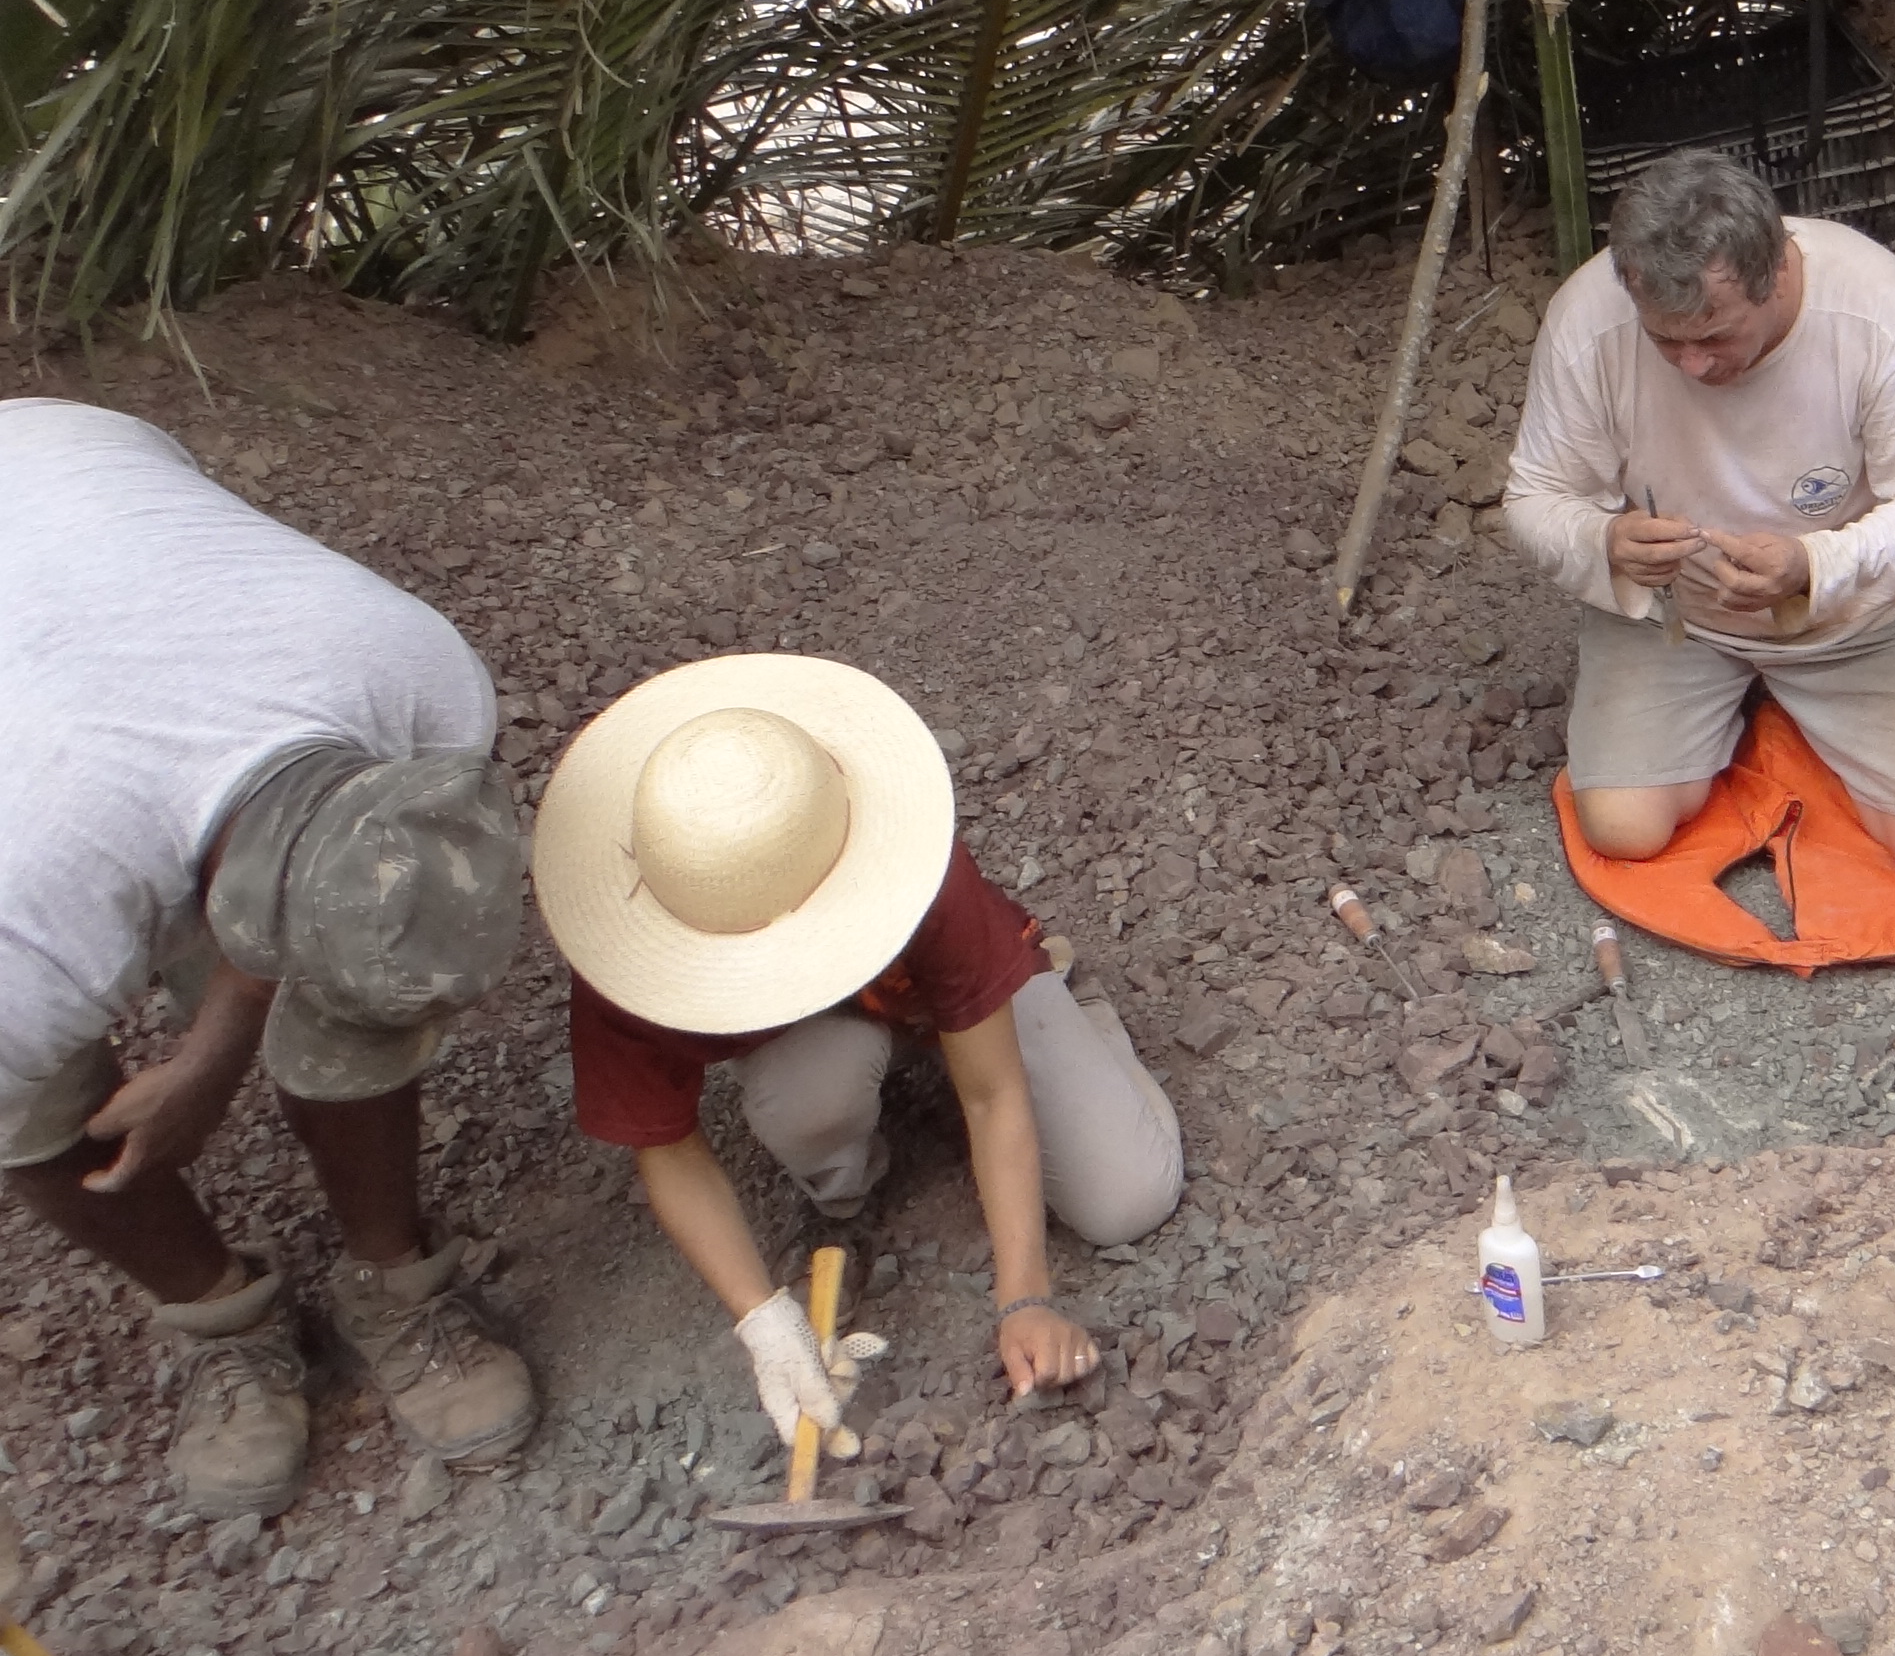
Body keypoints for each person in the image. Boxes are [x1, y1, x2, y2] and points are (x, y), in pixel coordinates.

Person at [0, 398, 538, 1519]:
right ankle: (220, 1316)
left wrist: (212, 1053)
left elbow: (316, 898)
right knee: (32, 1120)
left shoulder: (415, 674)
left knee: (358, 981)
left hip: (60, 459)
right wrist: (221, 1044)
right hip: (42, 755)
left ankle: (394, 1283)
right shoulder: (27, 934)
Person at [534, 655, 1183, 1442]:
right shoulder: (627, 955)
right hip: (817, 1037)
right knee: (807, 1105)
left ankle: (1072, 1004)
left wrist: (1025, 1299)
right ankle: (850, 1183)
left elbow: (992, 1092)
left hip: (947, 1001)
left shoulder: (913, 866)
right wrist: (763, 1319)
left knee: (1128, 1199)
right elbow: (665, 1146)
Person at [1504, 149, 1895, 882]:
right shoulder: (1588, 317)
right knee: (1623, 829)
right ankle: (1742, 712)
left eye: (1714, 337)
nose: (1691, 367)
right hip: (1674, 617)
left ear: (1778, 274)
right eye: (1665, 339)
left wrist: (1812, 566)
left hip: (1850, 615)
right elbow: (1534, 495)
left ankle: (1791, 711)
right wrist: (1603, 541)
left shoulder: (1873, 304)